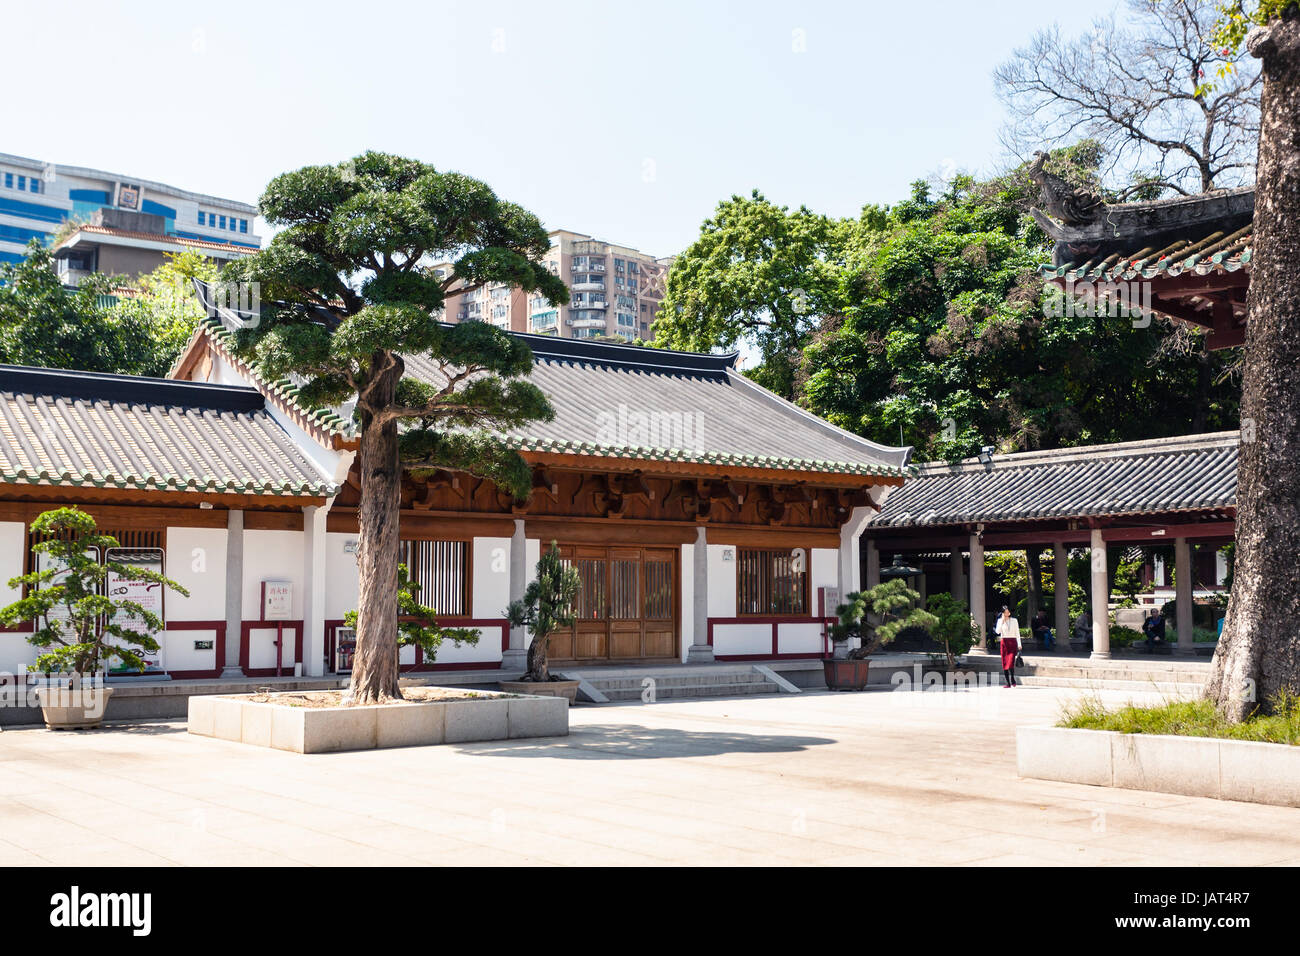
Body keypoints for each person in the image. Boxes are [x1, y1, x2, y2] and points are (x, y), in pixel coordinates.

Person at [994, 605, 1022, 687]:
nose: (1007, 613)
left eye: (1008, 612)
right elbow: (997, 632)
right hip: (1004, 642)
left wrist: (1019, 644)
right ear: (1002, 613)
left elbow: (1017, 633)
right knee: (1005, 662)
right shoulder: (1000, 621)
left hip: (1012, 642)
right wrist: (1002, 621)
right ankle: (1008, 682)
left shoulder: (1014, 620)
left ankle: (1012, 678)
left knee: (1010, 662)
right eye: (1005, 612)